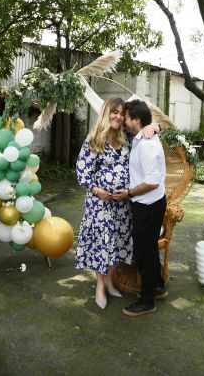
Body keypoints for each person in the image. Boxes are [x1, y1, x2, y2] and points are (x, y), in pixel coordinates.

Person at [75, 97, 157, 310]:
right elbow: (82, 171)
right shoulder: (94, 138)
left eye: (122, 113)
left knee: (117, 245)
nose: (119, 116)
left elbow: (148, 128)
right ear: (106, 113)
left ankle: (111, 280)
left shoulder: (127, 137)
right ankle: (100, 286)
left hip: (122, 205)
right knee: (102, 245)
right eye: (115, 112)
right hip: (100, 204)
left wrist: (153, 127)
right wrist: (96, 190)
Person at [113, 99, 168, 317]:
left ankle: (147, 301)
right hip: (150, 203)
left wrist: (129, 193)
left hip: (147, 204)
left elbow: (152, 181)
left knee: (144, 253)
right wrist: (154, 125)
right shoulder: (142, 136)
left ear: (136, 120)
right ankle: (157, 287)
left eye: (126, 118)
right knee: (150, 249)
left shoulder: (146, 145)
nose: (123, 121)